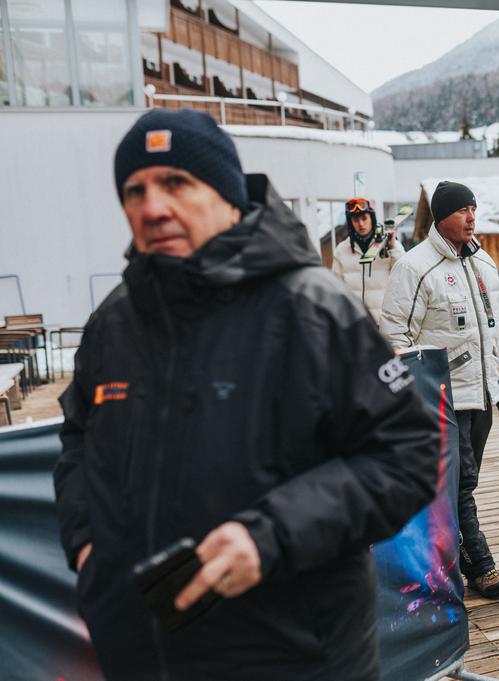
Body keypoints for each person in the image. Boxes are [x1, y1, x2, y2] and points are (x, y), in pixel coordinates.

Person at [53, 109, 438, 681]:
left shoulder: (311, 310)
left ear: (229, 196)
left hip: (291, 654)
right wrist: (87, 545)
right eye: (135, 190)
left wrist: (270, 535)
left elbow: (407, 455)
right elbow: (79, 441)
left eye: (176, 183)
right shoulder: (114, 323)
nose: (152, 206)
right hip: (140, 652)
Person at [380, 180, 499, 599]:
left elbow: (494, 329)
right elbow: (393, 333)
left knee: (462, 484)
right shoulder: (416, 267)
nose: (471, 217)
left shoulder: (484, 265)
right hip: (442, 398)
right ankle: (480, 564)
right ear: (441, 218)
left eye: (474, 209)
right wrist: (414, 389)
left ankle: (447, 557)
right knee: (460, 483)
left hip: (481, 394)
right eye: (462, 211)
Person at [331, 197, 405, 324]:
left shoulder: (391, 245)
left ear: (372, 218)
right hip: (355, 323)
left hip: (384, 322)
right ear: (350, 222)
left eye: (364, 218)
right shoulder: (341, 250)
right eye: (355, 220)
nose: (360, 224)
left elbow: (404, 274)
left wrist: (392, 246)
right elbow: (335, 288)